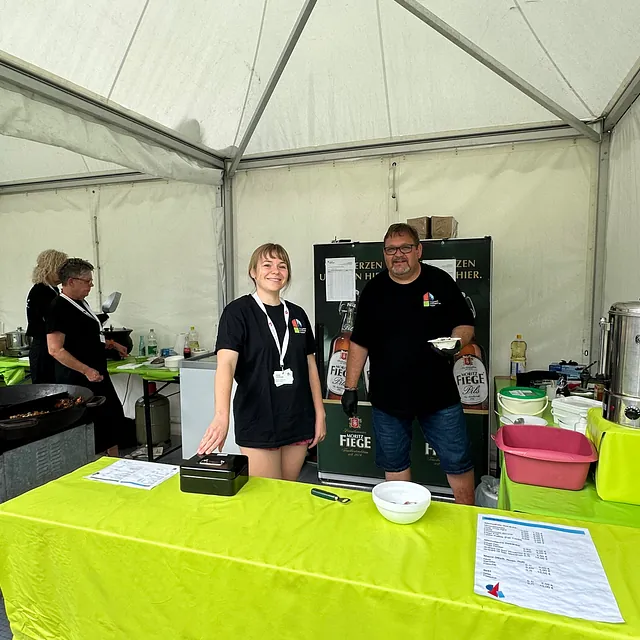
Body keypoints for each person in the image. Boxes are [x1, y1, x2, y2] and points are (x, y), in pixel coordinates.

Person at [341, 223, 476, 504]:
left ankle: (467, 517)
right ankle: (404, 515)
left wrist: (456, 343)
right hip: (388, 398)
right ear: (384, 254)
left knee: (458, 462)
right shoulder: (374, 290)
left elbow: (465, 325)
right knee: (394, 463)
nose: (398, 255)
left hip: (438, 395)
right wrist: (350, 387)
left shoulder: (439, 281)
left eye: (405, 247)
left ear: (419, 250)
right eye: (391, 250)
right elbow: (360, 342)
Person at [197, 243, 326, 481]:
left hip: (298, 418)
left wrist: (320, 413)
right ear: (253, 272)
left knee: (287, 490)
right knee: (267, 495)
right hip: (258, 419)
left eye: (282, 266)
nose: (275, 271)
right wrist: (221, 416)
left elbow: (310, 367)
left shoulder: (297, 314)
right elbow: (226, 365)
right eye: (267, 265)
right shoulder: (238, 312)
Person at [46, 258, 129, 454]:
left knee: (111, 417)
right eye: (87, 281)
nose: (91, 285)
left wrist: (112, 343)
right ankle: (95, 463)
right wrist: (86, 370)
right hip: (78, 377)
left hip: (96, 372)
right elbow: (55, 349)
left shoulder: (81, 303)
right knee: (92, 423)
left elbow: (86, 335)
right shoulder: (58, 307)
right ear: (71, 281)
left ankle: (115, 461)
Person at [26, 249, 68, 383]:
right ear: (51, 268)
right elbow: (53, 320)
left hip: (50, 344)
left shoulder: (52, 290)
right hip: (44, 347)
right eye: (61, 269)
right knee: (46, 387)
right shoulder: (40, 291)